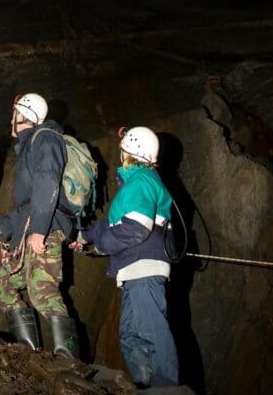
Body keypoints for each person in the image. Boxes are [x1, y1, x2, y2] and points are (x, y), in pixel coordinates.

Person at [72, 126, 179, 388]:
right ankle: (145, 386)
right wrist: (85, 237)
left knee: (150, 330)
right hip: (136, 269)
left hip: (144, 266)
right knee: (131, 334)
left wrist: (101, 247)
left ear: (128, 151)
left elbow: (135, 229)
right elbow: (114, 226)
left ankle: (165, 388)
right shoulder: (138, 182)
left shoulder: (141, 180)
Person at [0, 93, 80, 358]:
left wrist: (39, 228)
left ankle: (68, 358)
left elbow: (48, 184)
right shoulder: (28, 147)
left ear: (24, 115)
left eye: (14, 113)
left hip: (46, 228)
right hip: (31, 226)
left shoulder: (46, 138)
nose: (11, 119)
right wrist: (1, 228)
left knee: (41, 290)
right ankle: (30, 351)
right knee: (2, 288)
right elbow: (27, 204)